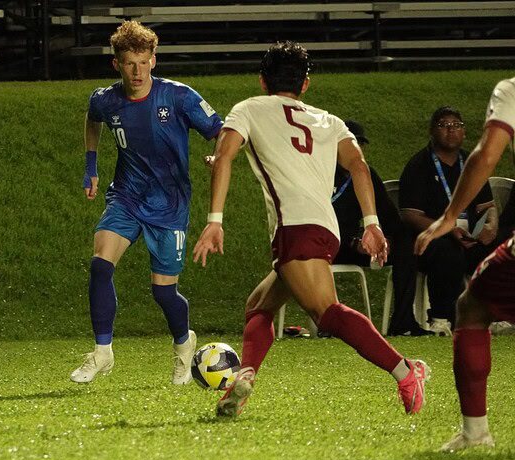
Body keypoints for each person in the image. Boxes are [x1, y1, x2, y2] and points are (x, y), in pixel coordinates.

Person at [192, 41, 429, 418]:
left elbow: (224, 157)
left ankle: (406, 371)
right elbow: (360, 167)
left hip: (296, 226)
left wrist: (214, 222)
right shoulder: (329, 121)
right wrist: (371, 224)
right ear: (305, 85)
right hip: (325, 227)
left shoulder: (248, 108)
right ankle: (245, 378)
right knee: (258, 306)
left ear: (261, 81)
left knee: (326, 312)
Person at [70, 21, 223, 384]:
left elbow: (224, 132)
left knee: (163, 292)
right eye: (129, 63)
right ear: (117, 65)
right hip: (125, 196)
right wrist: (91, 166)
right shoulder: (105, 100)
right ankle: (102, 352)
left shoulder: (179, 97)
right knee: (100, 265)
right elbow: (93, 121)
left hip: (169, 205)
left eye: (143, 62)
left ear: (154, 60)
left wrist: (219, 157)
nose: (136, 71)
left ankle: (185, 346)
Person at [416, 77, 515, 451]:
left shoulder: (511, 90)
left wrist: (449, 216)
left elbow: (486, 155)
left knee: (472, 307)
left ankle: (475, 434)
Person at [399, 107, 499, 336]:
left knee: (502, 246)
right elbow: (409, 214)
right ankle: (442, 317)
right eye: (444, 125)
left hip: (470, 234)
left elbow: (487, 207)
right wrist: (445, 229)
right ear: (432, 131)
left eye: (457, 125)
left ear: (464, 132)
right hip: (433, 237)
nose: (451, 130)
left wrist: (490, 226)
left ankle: (496, 314)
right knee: (447, 250)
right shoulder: (419, 165)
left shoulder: (472, 163)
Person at [331, 120, 430, 336]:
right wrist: (352, 240)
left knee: (405, 244)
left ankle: (403, 322)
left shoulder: (368, 176)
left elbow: (390, 219)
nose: (357, 149)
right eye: (352, 143)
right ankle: (328, 324)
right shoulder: (320, 173)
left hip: (357, 244)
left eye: (361, 144)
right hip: (325, 243)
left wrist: (386, 240)